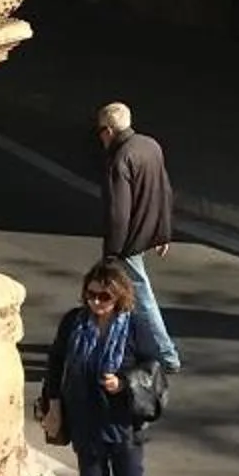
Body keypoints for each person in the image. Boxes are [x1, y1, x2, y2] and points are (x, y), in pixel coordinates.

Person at [39, 261, 160, 476]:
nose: (95, 303)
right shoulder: (73, 324)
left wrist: (122, 382)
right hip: (85, 424)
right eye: (91, 295)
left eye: (104, 296)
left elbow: (152, 366)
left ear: (118, 296)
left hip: (122, 424)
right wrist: (53, 402)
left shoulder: (135, 326)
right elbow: (55, 364)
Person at [96, 100, 182, 371]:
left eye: (100, 132)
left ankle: (167, 354)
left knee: (140, 295)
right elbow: (164, 189)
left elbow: (118, 213)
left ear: (108, 131)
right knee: (125, 293)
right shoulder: (150, 145)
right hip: (149, 231)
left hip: (129, 240)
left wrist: (112, 252)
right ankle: (125, 345)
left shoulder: (119, 159)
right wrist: (164, 232)